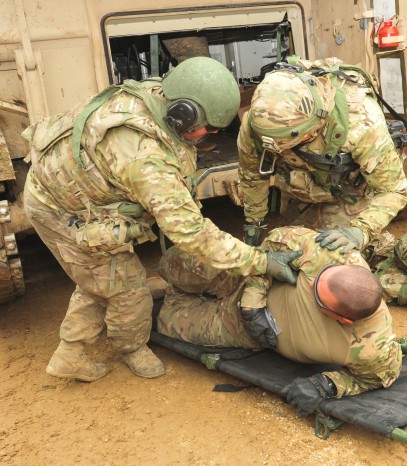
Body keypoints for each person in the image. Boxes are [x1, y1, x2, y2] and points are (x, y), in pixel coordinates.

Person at [22, 57, 301, 382]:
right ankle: (129, 347)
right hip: (61, 208)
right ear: (185, 114)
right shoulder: (145, 159)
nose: (209, 135)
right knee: (127, 288)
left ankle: (68, 352)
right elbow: (193, 234)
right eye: (209, 128)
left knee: (98, 279)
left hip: (79, 190)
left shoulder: (161, 96)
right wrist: (262, 262)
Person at [156, 226, 402, 416]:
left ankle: (183, 295)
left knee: (166, 321)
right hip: (252, 278)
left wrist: (326, 385)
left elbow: (375, 378)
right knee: (174, 262)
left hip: (245, 331)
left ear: (340, 318)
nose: (313, 283)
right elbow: (279, 238)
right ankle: (194, 285)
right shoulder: (334, 257)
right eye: (319, 280)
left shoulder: (373, 348)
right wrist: (253, 302)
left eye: (317, 294)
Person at [237, 57, 407, 254]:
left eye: (287, 143)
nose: (277, 148)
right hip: (302, 187)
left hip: (349, 194)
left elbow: (393, 190)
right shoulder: (257, 124)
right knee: (286, 246)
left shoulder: (362, 123)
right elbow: (252, 174)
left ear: (314, 128)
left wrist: (360, 231)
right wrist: (254, 222)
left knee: (329, 259)